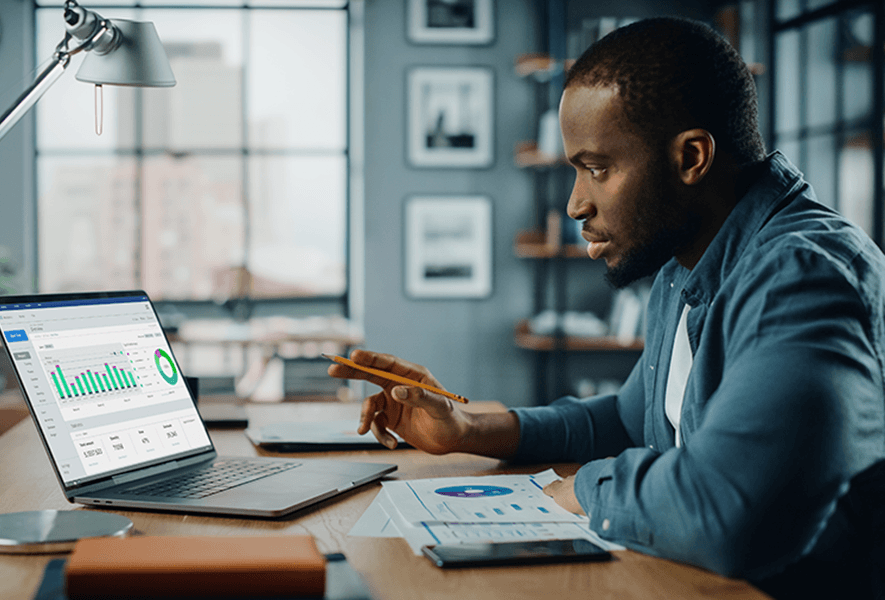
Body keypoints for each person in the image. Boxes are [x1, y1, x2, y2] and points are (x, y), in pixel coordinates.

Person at [329, 17, 885, 599]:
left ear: (691, 157)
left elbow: (728, 514)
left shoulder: (802, 275)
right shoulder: (684, 264)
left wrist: (589, 488)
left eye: (596, 169)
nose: (574, 204)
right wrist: (466, 427)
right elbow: (629, 421)